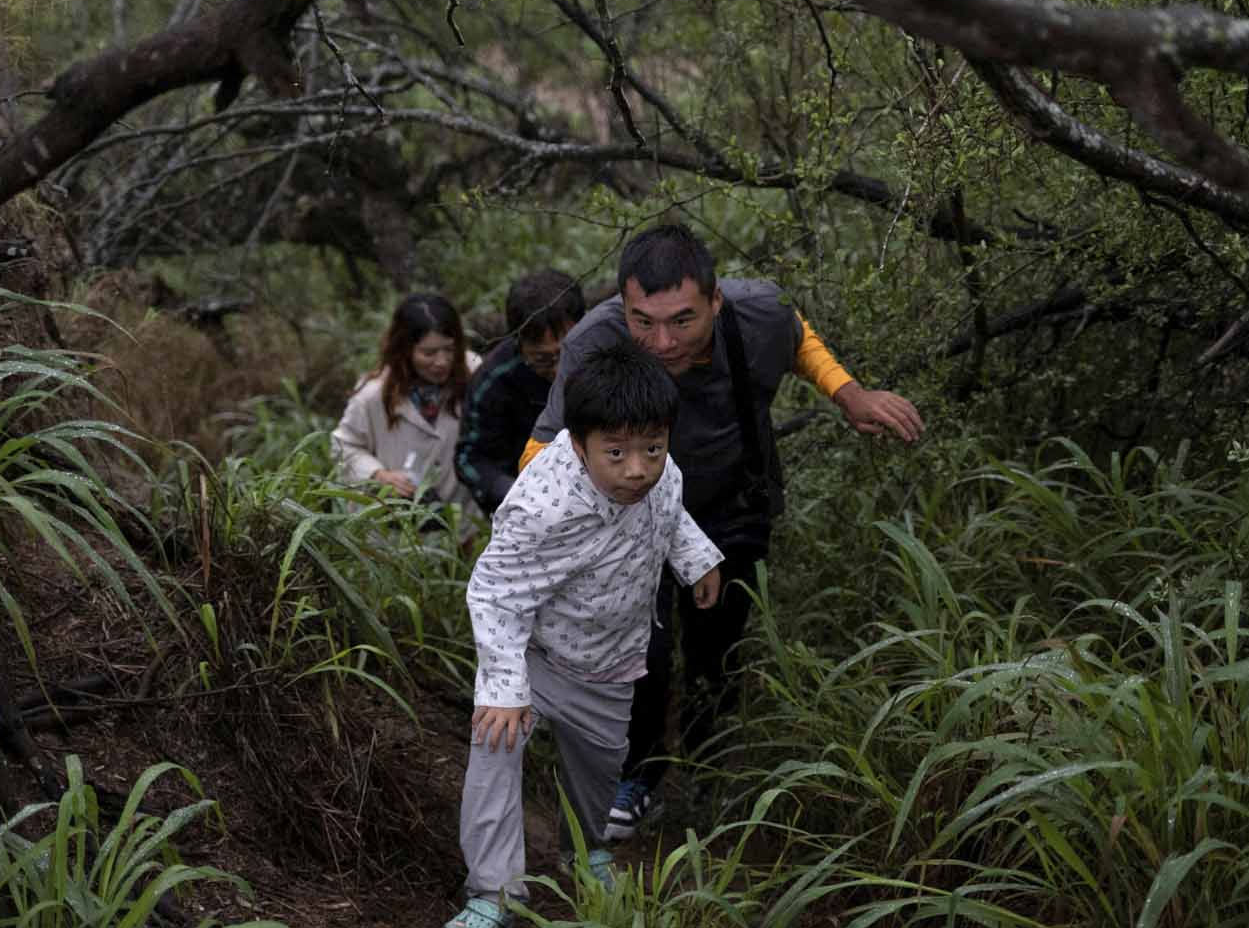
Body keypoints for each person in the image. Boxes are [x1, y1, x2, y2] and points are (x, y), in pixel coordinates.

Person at [520, 223, 923, 840]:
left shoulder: (757, 312)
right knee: (641, 651)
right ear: (622, 306)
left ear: (715, 301)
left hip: (733, 503)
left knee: (717, 648)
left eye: (682, 321)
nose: (661, 341)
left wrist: (848, 393)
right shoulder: (596, 340)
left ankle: (707, 770)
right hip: (630, 519)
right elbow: (544, 443)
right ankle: (640, 775)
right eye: (643, 321)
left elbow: (797, 336)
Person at [439, 342, 723, 928]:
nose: (637, 469)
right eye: (615, 453)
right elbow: (494, 592)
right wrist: (506, 688)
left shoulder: (661, 473)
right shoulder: (544, 507)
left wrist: (696, 558)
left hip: (610, 662)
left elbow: (670, 514)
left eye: (652, 446)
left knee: (599, 772)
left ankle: (586, 849)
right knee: (494, 749)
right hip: (535, 660)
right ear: (577, 444)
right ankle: (491, 892)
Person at [330, 293, 484, 518]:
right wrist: (379, 475)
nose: (441, 362)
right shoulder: (373, 395)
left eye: (449, 349)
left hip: (462, 524)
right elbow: (343, 447)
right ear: (404, 350)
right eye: (428, 353)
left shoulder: (475, 374)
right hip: (395, 532)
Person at [455, 269, 587, 515]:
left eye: (568, 353)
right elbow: (470, 459)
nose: (560, 370)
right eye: (543, 359)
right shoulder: (493, 380)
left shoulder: (610, 349)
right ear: (519, 342)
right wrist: (515, 494)